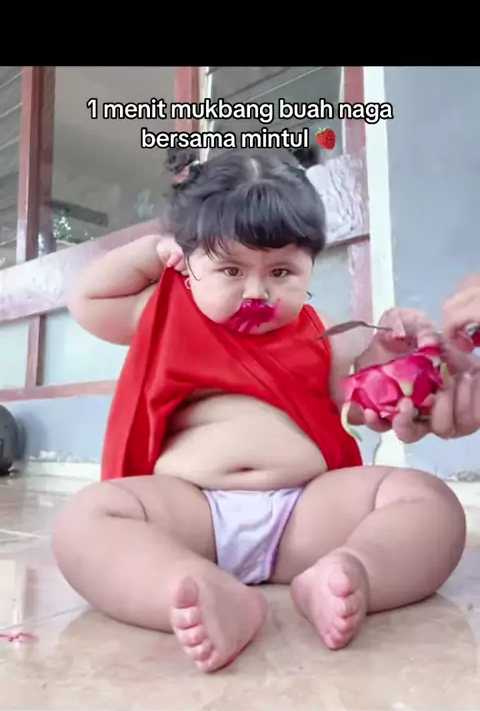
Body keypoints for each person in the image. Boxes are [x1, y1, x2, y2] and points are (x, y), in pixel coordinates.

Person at [52, 149, 466, 674]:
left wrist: (393, 360)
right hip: (193, 516)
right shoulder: (162, 313)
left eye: (281, 271)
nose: (257, 292)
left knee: (426, 498)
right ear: (187, 264)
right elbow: (87, 299)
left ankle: (350, 570)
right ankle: (191, 585)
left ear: (310, 265)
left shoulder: (325, 334)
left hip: (304, 517)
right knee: (85, 521)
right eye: (230, 269)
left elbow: (359, 402)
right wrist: (151, 253)